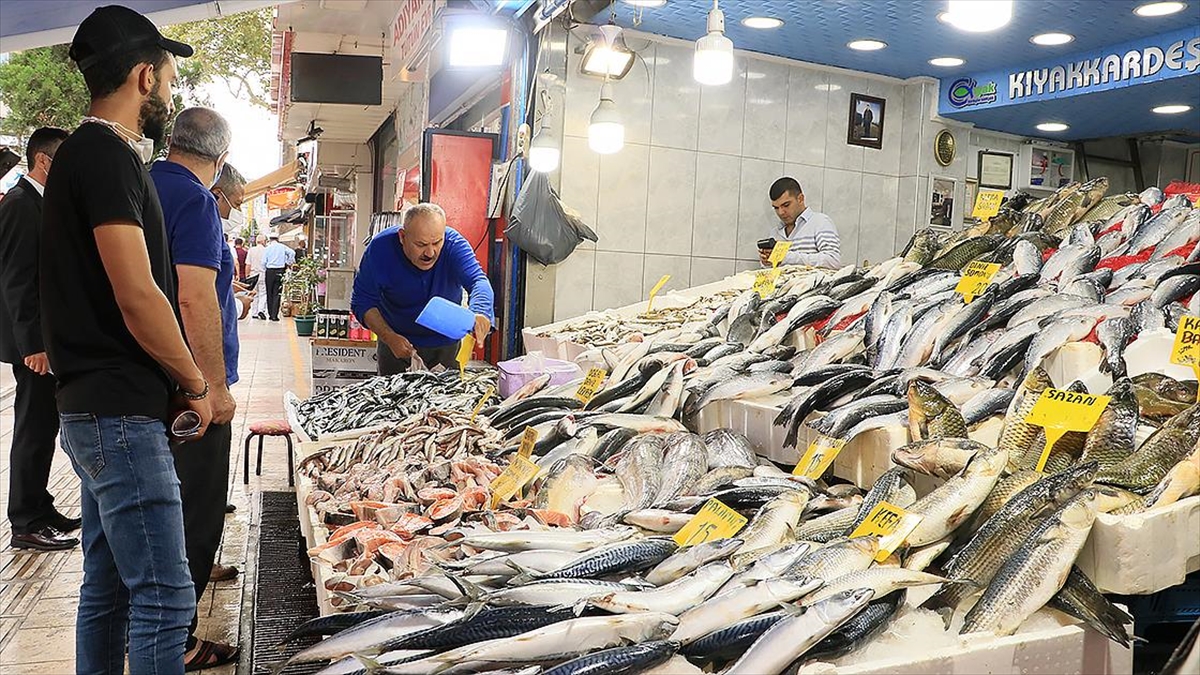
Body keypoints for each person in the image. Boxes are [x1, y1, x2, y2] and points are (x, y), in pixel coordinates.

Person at [41, 6, 211, 672]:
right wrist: (194, 380)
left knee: (109, 590)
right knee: (166, 598)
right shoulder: (105, 156)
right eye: (168, 77)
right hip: (117, 414)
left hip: (98, 408)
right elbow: (137, 293)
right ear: (144, 76)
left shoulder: (87, 156)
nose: (169, 91)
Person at [148, 107, 241, 670]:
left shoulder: (142, 185)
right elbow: (194, 295)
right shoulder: (196, 199)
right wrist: (211, 387)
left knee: (157, 513)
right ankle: (179, 638)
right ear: (220, 158)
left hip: (142, 384)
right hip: (187, 391)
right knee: (194, 510)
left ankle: (156, 628)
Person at [0, 127, 81, 552]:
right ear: (45, 161)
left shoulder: (42, 203)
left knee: (44, 424)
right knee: (32, 428)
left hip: (47, 339)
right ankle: (26, 520)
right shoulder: (20, 205)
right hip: (34, 345)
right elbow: (17, 282)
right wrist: (33, 344)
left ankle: (40, 505)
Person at [352, 203, 494, 373]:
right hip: (395, 344)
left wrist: (481, 311)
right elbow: (362, 301)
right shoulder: (380, 250)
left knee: (446, 390)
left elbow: (478, 281)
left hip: (446, 344)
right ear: (402, 237)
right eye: (421, 244)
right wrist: (389, 337)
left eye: (437, 243)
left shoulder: (454, 245)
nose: (430, 253)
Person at [762, 176, 840, 268]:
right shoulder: (775, 233)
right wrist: (767, 262)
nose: (781, 212)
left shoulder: (820, 222)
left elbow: (833, 261)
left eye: (786, 205)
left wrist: (786, 258)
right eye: (776, 208)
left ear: (800, 199)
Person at [263, 231, 294, 321]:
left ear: (270, 239)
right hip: (280, 270)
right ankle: (274, 315)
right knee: (277, 293)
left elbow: (263, 261)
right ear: (278, 239)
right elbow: (292, 253)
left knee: (269, 292)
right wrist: (288, 262)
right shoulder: (282, 247)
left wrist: (266, 268)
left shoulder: (267, 248)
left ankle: (270, 313)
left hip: (270, 271)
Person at [246, 233, 267, 319]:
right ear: (263, 241)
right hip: (263, 273)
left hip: (253, 273)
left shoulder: (251, 250)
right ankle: (261, 310)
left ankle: (254, 313)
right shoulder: (266, 250)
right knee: (263, 293)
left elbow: (248, 264)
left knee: (254, 293)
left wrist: (247, 275)